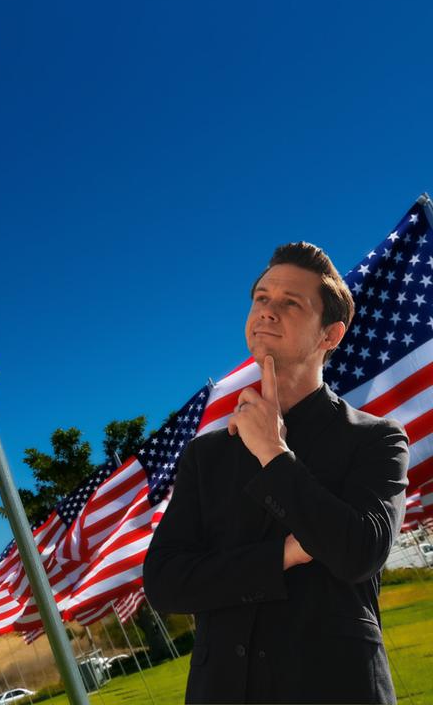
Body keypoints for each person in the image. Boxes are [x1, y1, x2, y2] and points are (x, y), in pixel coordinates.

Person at [143, 242, 409, 704]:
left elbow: (359, 552)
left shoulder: (377, 439)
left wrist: (272, 452)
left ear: (331, 335)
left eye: (291, 303)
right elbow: (164, 583)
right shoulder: (206, 454)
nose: (267, 310)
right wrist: (281, 555)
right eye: (261, 298)